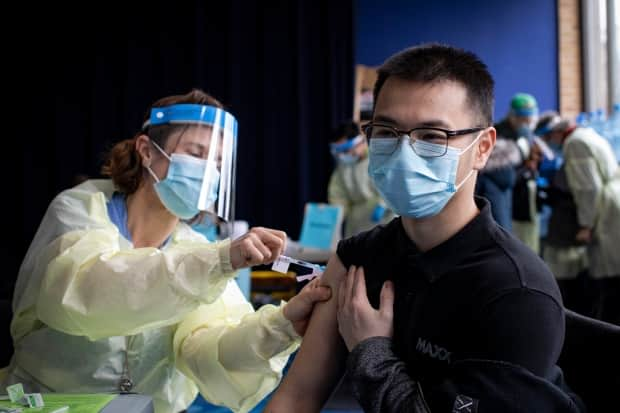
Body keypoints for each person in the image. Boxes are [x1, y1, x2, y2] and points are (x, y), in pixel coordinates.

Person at [266, 44, 582, 412]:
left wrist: (373, 352)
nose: (403, 154)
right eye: (386, 131)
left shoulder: (516, 292)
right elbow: (298, 395)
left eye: (433, 136)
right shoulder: (358, 259)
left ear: (482, 148)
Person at [1, 89, 331, 413]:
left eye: (218, 162)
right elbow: (84, 292)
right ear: (146, 150)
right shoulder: (80, 208)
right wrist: (218, 261)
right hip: (50, 404)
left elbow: (210, 351)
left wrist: (282, 325)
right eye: (197, 153)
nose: (209, 172)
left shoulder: (196, 250)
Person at [535, 113, 620, 325]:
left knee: (608, 278)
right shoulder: (586, 134)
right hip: (609, 201)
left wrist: (586, 225)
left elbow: (588, 189)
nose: (549, 144)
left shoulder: (574, 144)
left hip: (604, 209)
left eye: (548, 139)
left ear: (556, 133)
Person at [328, 121, 395, 238]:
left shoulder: (383, 159)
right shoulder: (343, 168)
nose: (342, 155)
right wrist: (332, 215)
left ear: (361, 141)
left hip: (386, 222)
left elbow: (397, 186)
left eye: (346, 150)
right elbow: (338, 196)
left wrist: (383, 204)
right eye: (338, 152)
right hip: (356, 228)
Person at [494, 93, 543, 253]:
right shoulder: (498, 135)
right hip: (506, 199)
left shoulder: (528, 134)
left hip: (526, 197)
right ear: (512, 117)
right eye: (523, 119)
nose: (527, 124)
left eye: (530, 119)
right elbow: (504, 176)